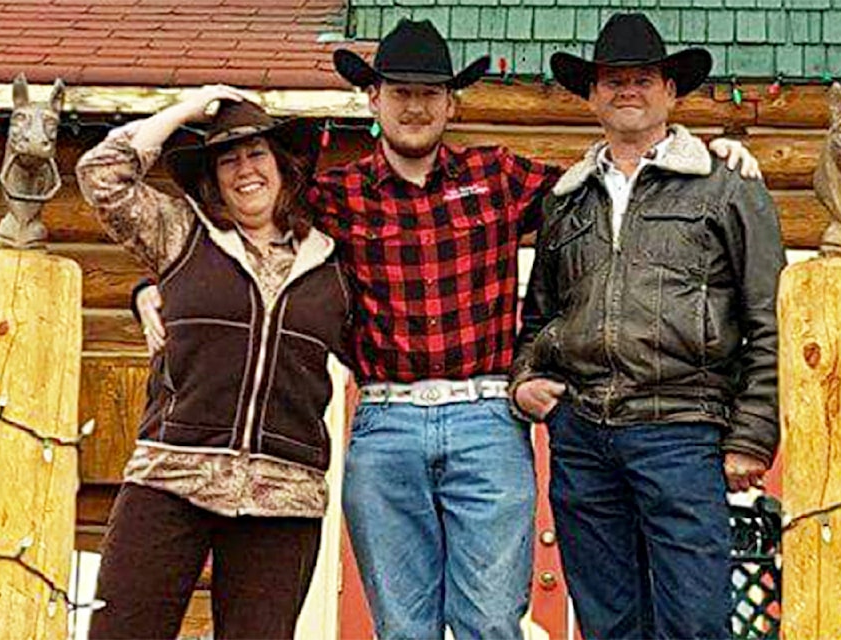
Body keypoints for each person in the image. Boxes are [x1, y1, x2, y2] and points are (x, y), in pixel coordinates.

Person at [132, 19, 761, 640]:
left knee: (490, 620)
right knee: (403, 626)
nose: (414, 105)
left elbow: (617, 190)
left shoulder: (501, 178)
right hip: (385, 424)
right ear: (372, 98)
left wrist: (708, 154)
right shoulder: (330, 196)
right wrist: (150, 287)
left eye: (429, 92)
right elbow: (243, 233)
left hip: (486, 418)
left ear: (451, 102)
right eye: (399, 91)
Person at [510, 12, 785, 640]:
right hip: (581, 436)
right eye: (612, 79)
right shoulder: (566, 199)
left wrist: (752, 434)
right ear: (592, 94)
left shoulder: (726, 187)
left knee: (693, 622)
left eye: (642, 78)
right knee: (608, 624)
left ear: (670, 91)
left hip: (683, 430)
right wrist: (526, 379)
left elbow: (765, 315)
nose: (626, 89)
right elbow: (541, 316)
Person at [76, 86, 352, 639]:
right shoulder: (181, 234)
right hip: (170, 475)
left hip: (284, 495)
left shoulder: (335, 266)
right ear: (212, 177)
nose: (245, 171)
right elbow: (101, 172)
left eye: (257, 155)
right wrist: (188, 107)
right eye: (228, 159)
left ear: (283, 168)